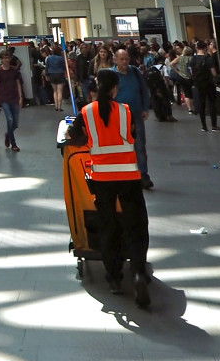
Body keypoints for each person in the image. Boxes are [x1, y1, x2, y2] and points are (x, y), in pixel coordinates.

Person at [69, 69, 151, 307]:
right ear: (115, 89)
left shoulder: (86, 112)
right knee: (136, 226)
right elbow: (132, 134)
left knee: (108, 227)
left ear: (96, 87)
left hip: (102, 180)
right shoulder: (125, 111)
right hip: (129, 177)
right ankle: (137, 272)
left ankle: (114, 278)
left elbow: (74, 136)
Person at [113, 48, 153, 189]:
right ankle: (124, 175)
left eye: (126, 59)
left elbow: (143, 89)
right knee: (121, 145)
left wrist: (145, 108)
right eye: (121, 59)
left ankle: (143, 175)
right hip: (118, 116)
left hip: (136, 114)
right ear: (116, 60)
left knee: (139, 145)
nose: (124, 62)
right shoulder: (111, 75)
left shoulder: (135, 72)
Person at [188, 44, 220, 133]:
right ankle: (214, 126)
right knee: (212, 104)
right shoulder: (208, 58)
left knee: (202, 104)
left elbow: (191, 71)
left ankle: (204, 126)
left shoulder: (193, 59)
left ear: (196, 48)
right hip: (209, 83)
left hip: (199, 84)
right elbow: (213, 73)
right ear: (205, 48)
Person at [0, 50, 22, 151]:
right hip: (4, 98)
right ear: (1, 59)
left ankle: (8, 134)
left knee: (15, 123)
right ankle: (13, 144)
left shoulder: (14, 70)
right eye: (4, 58)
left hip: (14, 97)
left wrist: (20, 97)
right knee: (10, 119)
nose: (7, 60)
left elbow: (18, 83)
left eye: (8, 58)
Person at [45, 45, 67, 112]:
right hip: (60, 74)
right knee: (60, 91)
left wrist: (46, 75)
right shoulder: (61, 58)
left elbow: (47, 67)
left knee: (55, 91)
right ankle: (59, 107)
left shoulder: (49, 58)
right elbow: (64, 67)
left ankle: (56, 106)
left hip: (52, 75)